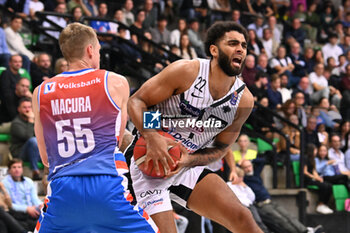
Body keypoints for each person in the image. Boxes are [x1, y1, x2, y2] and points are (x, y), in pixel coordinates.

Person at [127, 21, 262, 233]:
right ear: (214, 50)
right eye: (233, 43)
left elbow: (221, 148)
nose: (240, 50)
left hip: (185, 162)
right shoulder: (186, 71)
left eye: (244, 46)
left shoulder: (244, 100)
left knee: (243, 218)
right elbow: (138, 101)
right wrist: (152, 137)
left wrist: (190, 160)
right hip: (148, 160)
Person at [32, 22, 158, 232]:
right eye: (98, 50)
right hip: (107, 185)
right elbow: (116, 140)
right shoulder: (115, 82)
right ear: (90, 49)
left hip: (63, 191)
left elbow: (45, 159)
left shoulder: (41, 92)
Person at [241, 159, 322, 233]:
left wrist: (251, 160)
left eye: (249, 166)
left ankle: (305, 230)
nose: (248, 169)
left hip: (270, 201)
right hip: (262, 204)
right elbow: (237, 172)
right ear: (242, 169)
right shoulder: (244, 179)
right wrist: (238, 164)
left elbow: (262, 161)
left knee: (288, 215)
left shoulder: (255, 174)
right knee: (281, 220)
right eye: (245, 167)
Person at [2, 159, 42, 231]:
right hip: (16, 213)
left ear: (22, 169)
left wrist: (40, 205)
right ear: (9, 170)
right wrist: (27, 209)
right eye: (14, 167)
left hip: (31, 213)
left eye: (19, 167)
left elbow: (34, 199)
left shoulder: (28, 181)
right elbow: (9, 205)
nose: (17, 170)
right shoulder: (4, 183)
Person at [227, 167, 270, 233]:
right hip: (240, 208)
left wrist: (245, 187)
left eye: (242, 177)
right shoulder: (229, 186)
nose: (241, 179)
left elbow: (252, 197)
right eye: (240, 177)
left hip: (250, 206)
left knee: (258, 222)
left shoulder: (242, 186)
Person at [10, 97, 42, 180]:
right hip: (20, 154)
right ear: (19, 109)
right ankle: (35, 171)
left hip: (35, 153)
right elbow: (29, 137)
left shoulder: (37, 121)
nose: (27, 110)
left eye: (29, 107)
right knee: (33, 141)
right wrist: (31, 120)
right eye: (24, 107)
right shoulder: (16, 123)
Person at [303, 143, 334, 214]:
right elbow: (305, 172)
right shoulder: (305, 158)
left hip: (313, 178)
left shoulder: (313, 160)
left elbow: (314, 171)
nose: (316, 151)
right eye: (315, 150)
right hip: (307, 180)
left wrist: (318, 178)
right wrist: (314, 177)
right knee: (324, 186)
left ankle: (324, 204)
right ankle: (320, 204)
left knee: (329, 185)